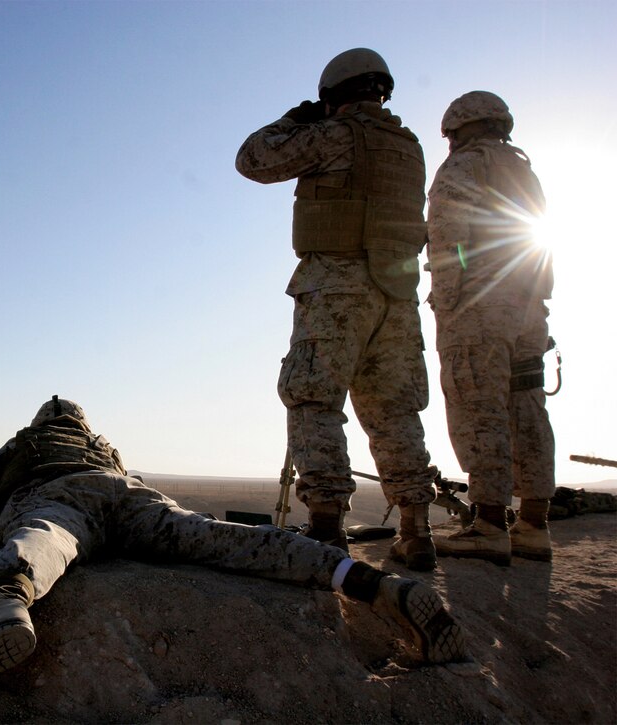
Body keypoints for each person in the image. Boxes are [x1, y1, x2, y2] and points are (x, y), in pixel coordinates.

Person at [0, 396, 467, 707]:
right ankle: (368, 583)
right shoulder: (104, 447)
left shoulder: (28, 444)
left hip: (58, 490)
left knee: (47, 534)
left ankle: (4, 600)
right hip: (130, 493)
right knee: (217, 536)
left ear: (40, 424)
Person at [234, 48, 439, 571]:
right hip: (396, 295)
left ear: (333, 95)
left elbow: (253, 159)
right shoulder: (410, 147)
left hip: (337, 290)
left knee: (313, 399)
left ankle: (327, 526)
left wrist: (292, 119)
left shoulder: (336, 134)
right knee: (394, 410)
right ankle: (417, 529)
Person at [426, 91, 555, 565]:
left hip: (479, 309)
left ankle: (487, 525)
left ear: (459, 130)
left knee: (479, 407)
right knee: (528, 410)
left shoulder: (463, 167)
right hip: (529, 310)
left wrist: (446, 300)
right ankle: (534, 525)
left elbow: (448, 242)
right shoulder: (523, 170)